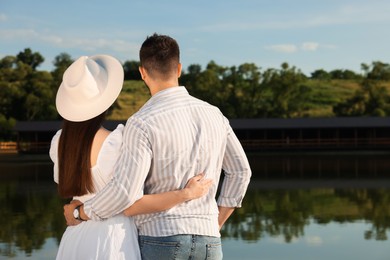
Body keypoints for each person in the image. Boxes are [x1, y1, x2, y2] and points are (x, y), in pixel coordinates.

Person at [65, 33, 252, 260]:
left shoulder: (141, 122)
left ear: (142, 72)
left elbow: (125, 192)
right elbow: (241, 172)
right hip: (209, 242)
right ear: (179, 68)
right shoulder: (215, 114)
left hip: (162, 239)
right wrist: (216, 222)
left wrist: (81, 211)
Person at [50, 54, 213, 260]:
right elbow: (131, 204)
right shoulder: (116, 141)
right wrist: (186, 194)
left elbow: (78, 195)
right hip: (114, 238)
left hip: (75, 236)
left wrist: (77, 211)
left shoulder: (60, 142)